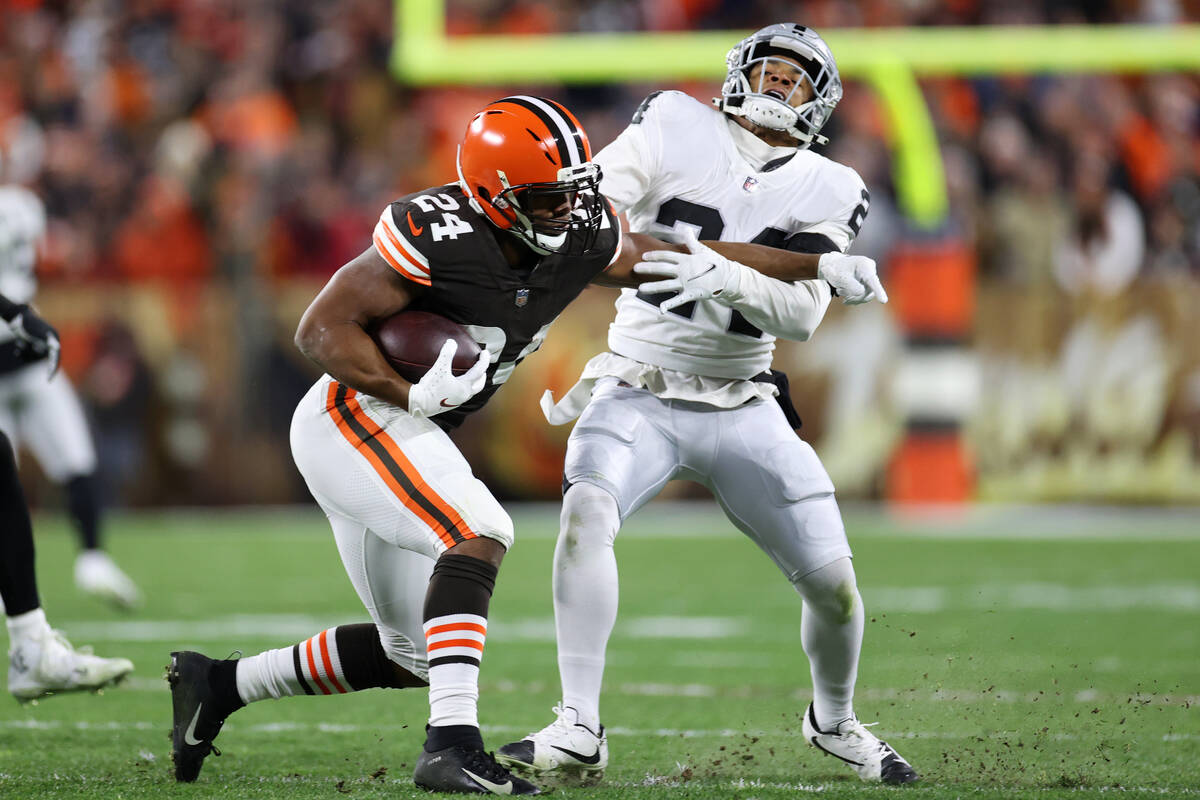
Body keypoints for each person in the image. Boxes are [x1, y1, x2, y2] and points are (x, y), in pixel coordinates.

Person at [166, 95, 879, 795]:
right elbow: (319, 329)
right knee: (479, 531)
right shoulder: (439, 234)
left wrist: (813, 267)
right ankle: (451, 748)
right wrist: (406, 390)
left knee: (411, 653)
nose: (567, 211)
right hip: (357, 416)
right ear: (495, 194)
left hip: (409, 425)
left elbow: (672, 252)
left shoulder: (576, 227)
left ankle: (218, 684)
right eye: (546, 199)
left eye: (573, 194)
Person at [497, 24, 918, 786]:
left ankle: (834, 719)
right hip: (639, 380)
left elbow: (800, 315)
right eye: (771, 71)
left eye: (796, 80)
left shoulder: (833, 185)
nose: (778, 88)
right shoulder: (673, 122)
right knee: (586, 514)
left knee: (834, 583)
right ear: (738, 74)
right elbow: (590, 218)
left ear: (819, 102)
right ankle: (578, 725)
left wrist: (719, 275)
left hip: (742, 397)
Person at [0, 177, 141, 610]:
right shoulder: (22, 204)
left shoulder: (22, 203)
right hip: (21, 346)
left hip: (31, 358)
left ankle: (93, 559)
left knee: (77, 459)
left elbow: (56, 258)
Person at [0, 294, 134, 701]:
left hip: (25, 356)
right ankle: (31, 648)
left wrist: (14, 312)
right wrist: (13, 311)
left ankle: (32, 645)